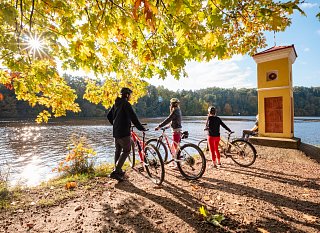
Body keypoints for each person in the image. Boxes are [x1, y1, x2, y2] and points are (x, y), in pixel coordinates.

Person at [107, 87, 146, 181]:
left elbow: (109, 116)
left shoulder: (116, 103)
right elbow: (133, 117)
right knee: (127, 150)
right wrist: (141, 128)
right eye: (130, 95)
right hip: (124, 132)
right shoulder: (126, 104)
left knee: (118, 150)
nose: (131, 97)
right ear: (127, 95)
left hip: (116, 132)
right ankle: (116, 171)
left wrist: (115, 124)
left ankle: (117, 170)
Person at [155, 98, 182, 169]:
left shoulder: (175, 111)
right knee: (173, 148)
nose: (170, 105)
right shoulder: (178, 110)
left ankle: (178, 165)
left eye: (170, 104)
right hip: (177, 130)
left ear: (172, 104)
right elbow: (173, 121)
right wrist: (167, 127)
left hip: (176, 132)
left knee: (176, 149)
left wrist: (159, 126)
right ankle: (174, 162)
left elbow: (168, 119)